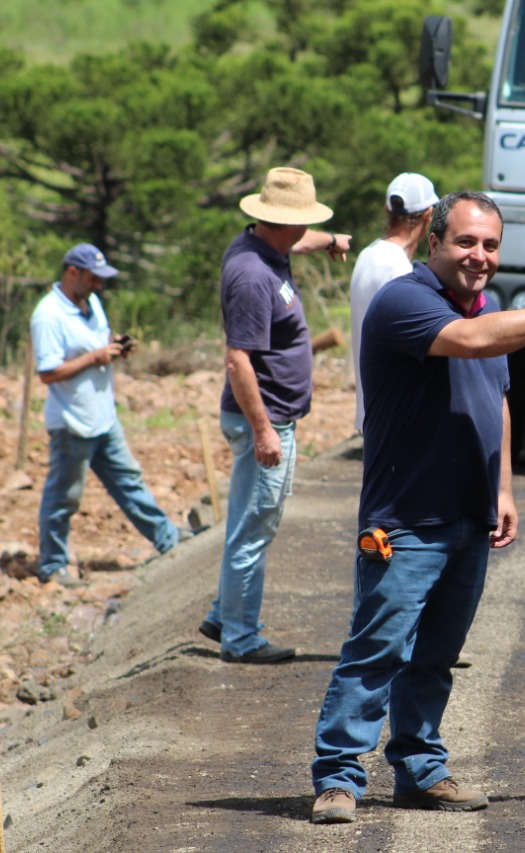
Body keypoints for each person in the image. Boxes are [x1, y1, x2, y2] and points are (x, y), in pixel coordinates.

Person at [309, 191, 525, 824]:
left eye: (491, 245)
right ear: (433, 241)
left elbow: (495, 390)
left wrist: (503, 488)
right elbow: (471, 343)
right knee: (378, 650)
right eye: (467, 242)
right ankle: (337, 776)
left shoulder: (486, 308)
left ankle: (420, 768)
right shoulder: (406, 300)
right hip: (405, 518)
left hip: (468, 513)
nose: (480, 256)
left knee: (436, 657)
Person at [198, 167, 351, 664]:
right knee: (254, 527)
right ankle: (241, 639)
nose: (306, 232)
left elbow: (300, 244)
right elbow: (237, 358)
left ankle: (225, 614)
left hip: (275, 415)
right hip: (262, 418)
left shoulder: (268, 248)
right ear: (285, 224)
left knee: (252, 518)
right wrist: (265, 432)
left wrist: (330, 240)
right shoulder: (251, 276)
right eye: (304, 224)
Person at [30, 244, 183, 587]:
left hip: (102, 415)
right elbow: (48, 372)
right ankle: (52, 565)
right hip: (72, 422)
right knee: (63, 498)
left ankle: (168, 539)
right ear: (72, 272)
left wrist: (114, 346)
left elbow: (95, 344)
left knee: (130, 481)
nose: (98, 284)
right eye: (92, 277)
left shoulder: (92, 303)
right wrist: (96, 357)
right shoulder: (48, 315)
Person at [349, 172, 439, 432]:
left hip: (372, 408)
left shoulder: (367, 255)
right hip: (394, 414)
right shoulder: (399, 269)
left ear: (387, 209)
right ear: (427, 215)